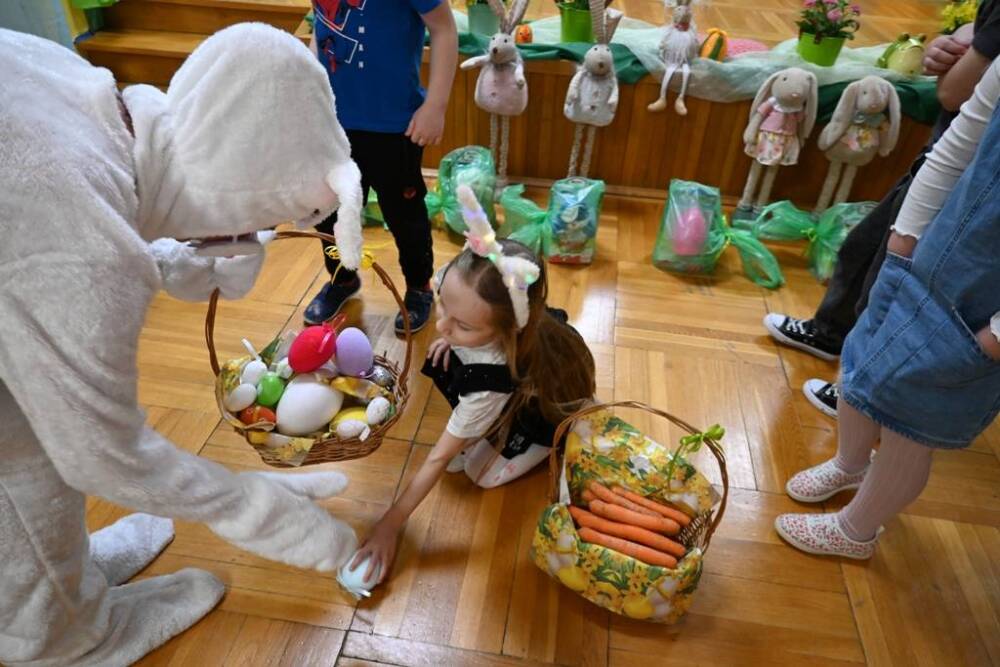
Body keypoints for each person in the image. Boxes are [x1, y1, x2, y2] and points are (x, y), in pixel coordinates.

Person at [0, 24, 366, 666]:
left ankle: (64, 578)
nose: (252, 238)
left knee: (34, 435)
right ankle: (57, 638)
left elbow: (63, 226)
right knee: (23, 452)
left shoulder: (83, 101)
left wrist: (167, 257)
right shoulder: (78, 236)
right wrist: (248, 507)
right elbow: (101, 451)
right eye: (258, 220)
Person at [775, 57, 1000, 559]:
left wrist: (994, 338)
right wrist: (904, 236)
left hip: (985, 311)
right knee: (861, 368)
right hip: (929, 256)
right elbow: (959, 142)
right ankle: (850, 464)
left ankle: (855, 531)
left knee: (910, 425)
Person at [763, 1, 1000, 418]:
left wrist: (966, 57)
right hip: (941, 163)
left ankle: (860, 389)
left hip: (964, 183)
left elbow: (952, 93)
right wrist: (961, 39)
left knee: (890, 285)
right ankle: (834, 340)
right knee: (865, 250)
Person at [349, 187, 596, 583]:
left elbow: (438, 458)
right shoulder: (465, 284)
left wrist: (390, 524)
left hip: (544, 408)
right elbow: (454, 309)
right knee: (448, 368)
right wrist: (456, 336)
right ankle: (489, 417)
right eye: (443, 305)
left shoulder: (491, 381)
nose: (441, 325)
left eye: (462, 325)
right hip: (510, 375)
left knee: (478, 475)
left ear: (505, 331)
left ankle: (549, 438)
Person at [305, 0, 458, 334]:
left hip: (395, 127)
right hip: (332, 123)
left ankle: (419, 286)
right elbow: (320, 26)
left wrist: (435, 106)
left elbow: (444, 29)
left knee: (404, 216)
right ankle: (342, 279)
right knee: (329, 213)